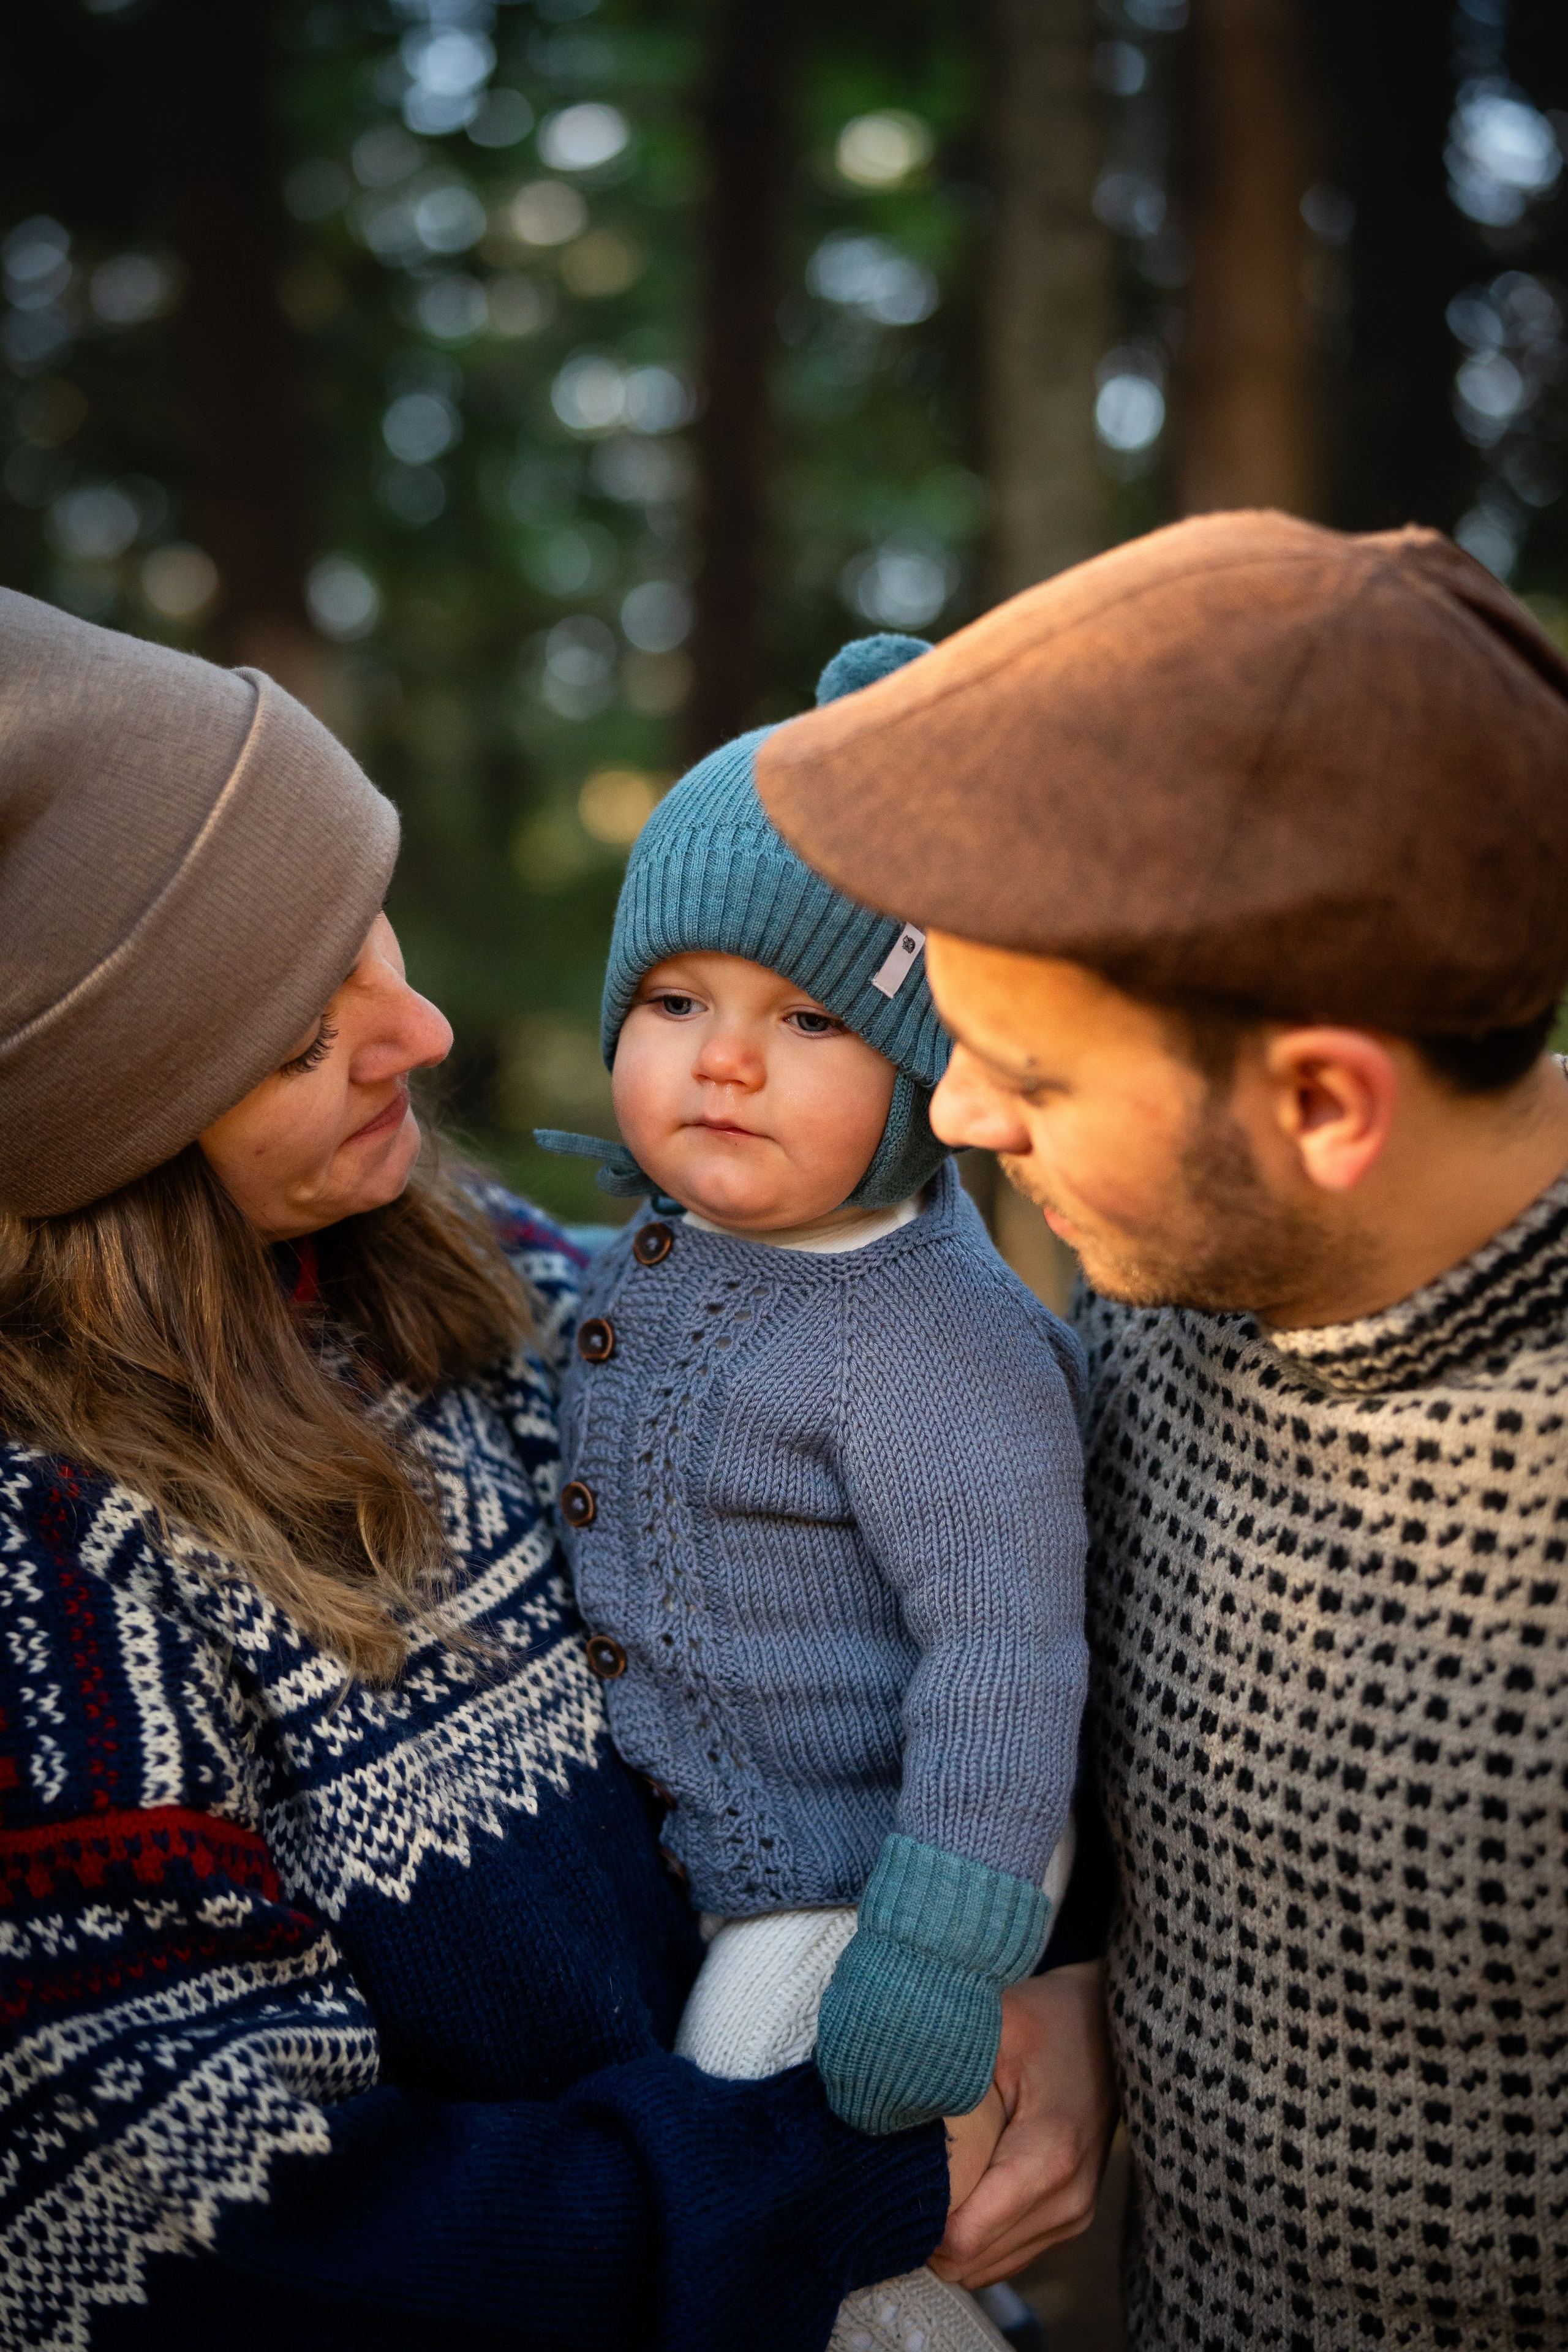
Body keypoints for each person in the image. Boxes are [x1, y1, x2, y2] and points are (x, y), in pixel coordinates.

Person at [0, 587, 1096, 2352]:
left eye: (369, 927)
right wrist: (848, 2177)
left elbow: (942, 1610)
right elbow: (218, 2257)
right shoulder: (55, 1580)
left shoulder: (506, 1279)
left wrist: (1048, 1997)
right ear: (112, 1122)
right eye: (299, 1034)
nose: (422, 1029)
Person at [754, 508, 1568, 2349]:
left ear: (1326, 1103)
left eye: (1033, 1075)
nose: (958, 1118)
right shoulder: (1166, 1284)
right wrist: (1101, 1994)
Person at [539, 633, 1089, 2350]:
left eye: (810, 1019)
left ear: (923, 1077)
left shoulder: (931, 1342)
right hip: (721, 1865)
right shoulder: (673, 1245)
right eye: (675, 1003)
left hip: (869, 1881)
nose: (724, 1061)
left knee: (787, 2217)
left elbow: (1007, 1662)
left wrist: (934, 1955)